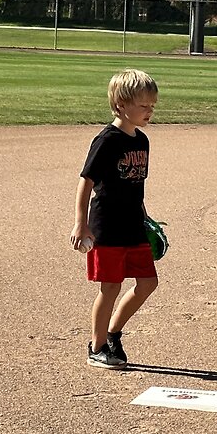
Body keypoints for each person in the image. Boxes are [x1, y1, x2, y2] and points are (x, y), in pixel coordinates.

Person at [70, 68, 160, 370]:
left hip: (133, 225)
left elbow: (137, 186)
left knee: (147, 283)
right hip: (106, 227)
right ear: (121, 103)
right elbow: (87, 181)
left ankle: (112, 333)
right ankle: (96, 348)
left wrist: (146, 219)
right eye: (143, 105)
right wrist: (80, 223)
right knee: (110, 287)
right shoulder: (107, 140)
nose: (150, 111)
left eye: (152, 106)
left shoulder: (142, 141)